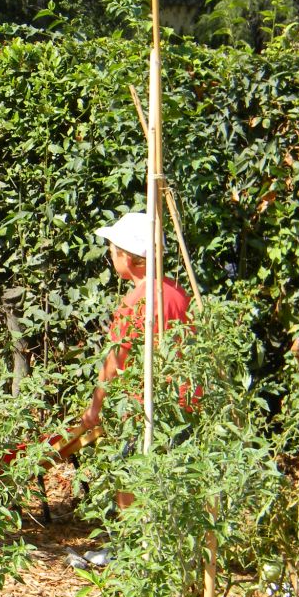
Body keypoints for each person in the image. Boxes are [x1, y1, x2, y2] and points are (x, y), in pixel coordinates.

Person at [74, 210, 192, 565]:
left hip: (145, 403)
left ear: (132, 258)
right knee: (170, 476)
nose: (111, 256)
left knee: (131, 473)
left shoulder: (136, 300)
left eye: (113, 250)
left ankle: (132, 550)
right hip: (182, 401)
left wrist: (95, 407)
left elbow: (115, 359)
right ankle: (167, 551)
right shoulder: (175, 292)